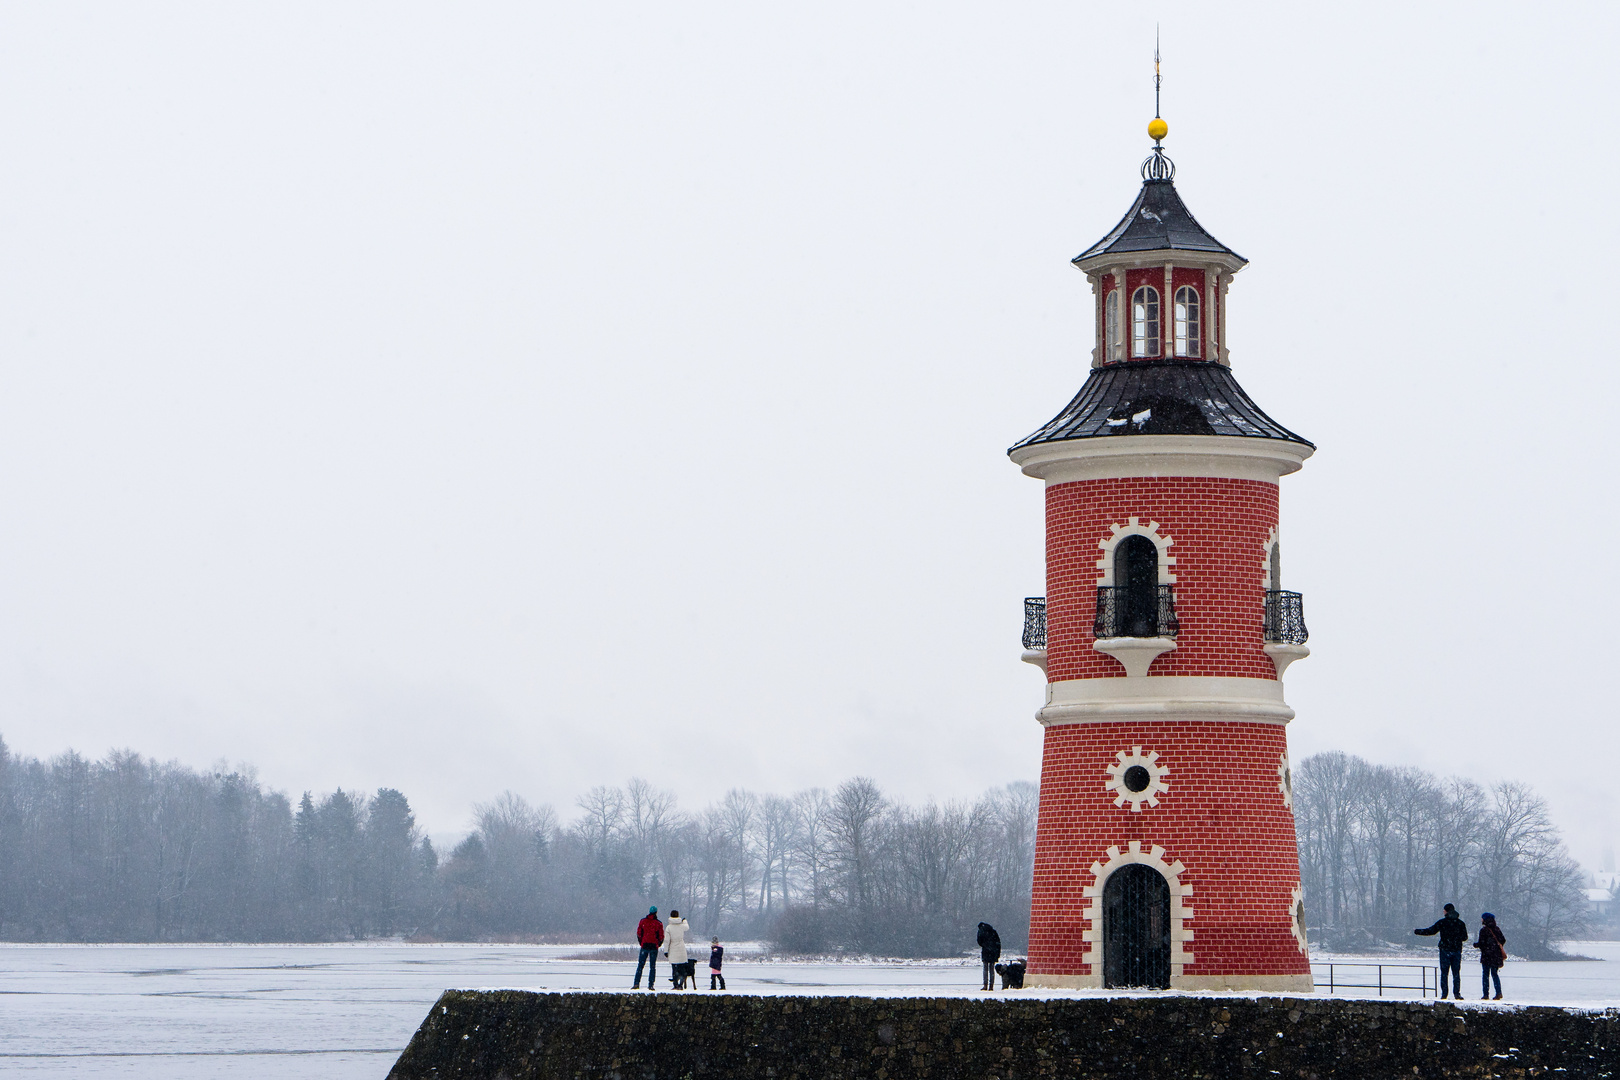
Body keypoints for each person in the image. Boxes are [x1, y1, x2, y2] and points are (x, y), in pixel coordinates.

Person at [1414, 903, 1469, 1000]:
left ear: (1446, 911)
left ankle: (1444, 994)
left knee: (1444, 973)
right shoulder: (1460, 923)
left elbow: (1431, 931)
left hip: (1445, 950)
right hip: (1456, 950)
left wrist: (1417, 931)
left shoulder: (1442, 922)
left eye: (1444, 910)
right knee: (1456, 973)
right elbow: (1465, 937)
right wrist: (1456, 938)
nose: (1443, 912)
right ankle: (1457, 993)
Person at [1474, 912, 1507, 1000]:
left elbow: (1481, 943)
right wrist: (1495, 947)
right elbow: (1503, 940)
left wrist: (1476, 945)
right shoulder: (1497, 929)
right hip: (1496, 956)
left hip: (1486, 956)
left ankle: (1485, 994)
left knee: (1485, 975)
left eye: (1482, 918)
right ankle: (1498, 992)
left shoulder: (1484, 930)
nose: (1481, 919)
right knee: (1494, 974)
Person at [632, 906, 664, 990]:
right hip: (653, 946)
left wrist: (641, 942)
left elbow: (639, 933)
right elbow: (661, 936)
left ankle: (636, 983)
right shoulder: (658, 923)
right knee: (652, 967)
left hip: (645, 945)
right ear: (656, 912)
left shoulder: (643, 921)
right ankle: (651, 984)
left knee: (640, 965)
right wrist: (658, 944)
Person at [664, 909, 693, 989]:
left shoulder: (669, 927)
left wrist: (666, 951)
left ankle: (675, 984)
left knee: (675, 969)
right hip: (681, 948)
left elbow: (667, 940)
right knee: (682, 969)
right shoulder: (681, 926)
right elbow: (687, 927)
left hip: (673, 949)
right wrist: (684, 921)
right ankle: (681, 984)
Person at [977, 922, 1002, 991]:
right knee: (991, 969)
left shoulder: (981, 931)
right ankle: (991, 986)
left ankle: (985, 985)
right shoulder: (993, 931)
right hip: (993, 952)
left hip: (986, 951)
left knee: (985, 969)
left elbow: (979, 941)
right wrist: (997, 953)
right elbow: (998, 943)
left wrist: (985, 945)